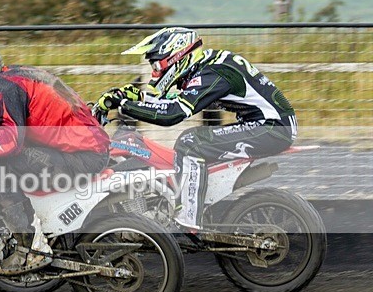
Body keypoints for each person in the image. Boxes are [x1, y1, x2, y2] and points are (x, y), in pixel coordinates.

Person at [0, 37, 110, 270]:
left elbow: (9, 143)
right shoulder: (6, 79)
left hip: (83, 156)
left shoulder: (1, 90)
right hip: (82, 148)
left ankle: (29, 249)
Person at [94, 27, 297, 229]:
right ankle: (195, 206)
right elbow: (176, 100)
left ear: (177, 55)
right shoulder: (208, 66)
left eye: (157, 64)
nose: (155, 71)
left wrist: (122, 106)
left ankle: (188, 222)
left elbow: (172, 114)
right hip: (266, 124)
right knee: (195, 142)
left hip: (272, 128)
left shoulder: (213, 72)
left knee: (191, 142)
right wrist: (139, 98)